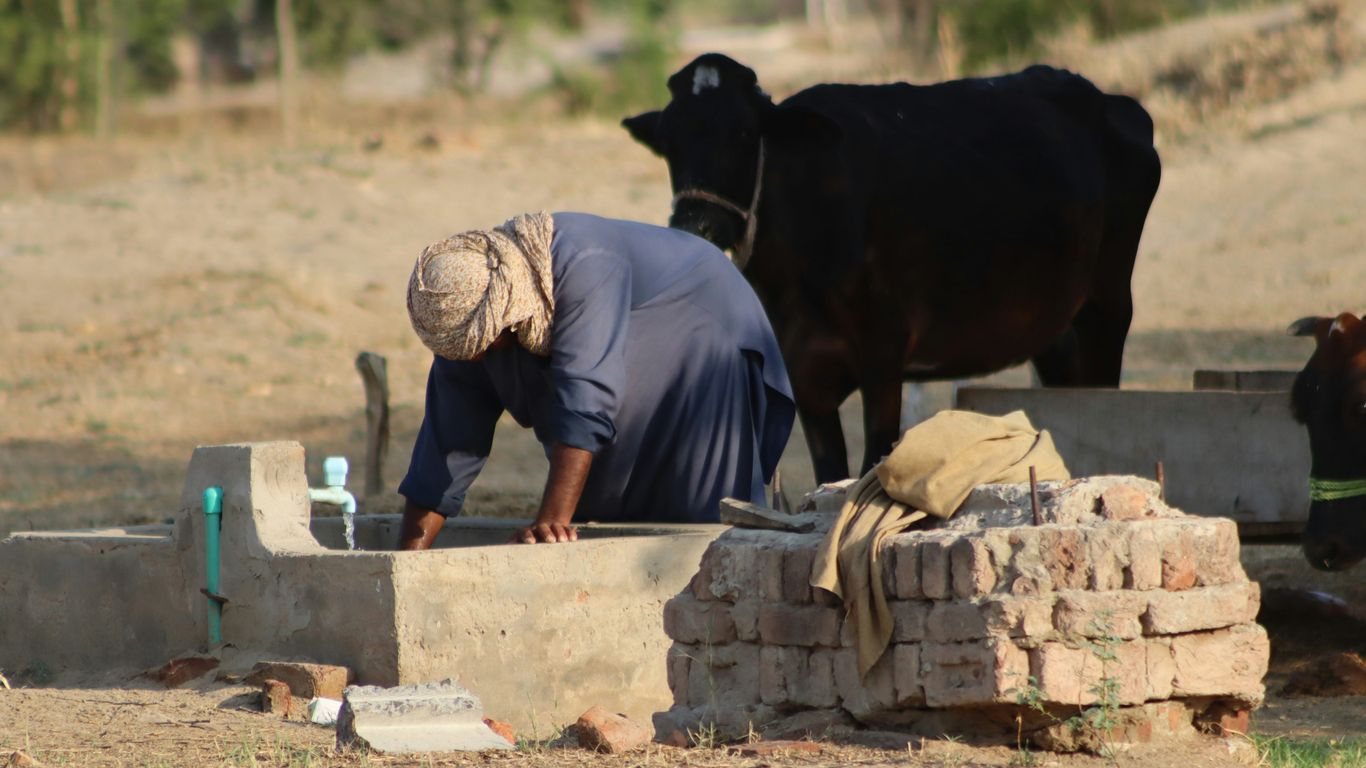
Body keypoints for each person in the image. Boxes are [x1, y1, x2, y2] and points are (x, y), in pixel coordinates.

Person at [398, 211, 795, 547]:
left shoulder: (583, 264)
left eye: (483, 347)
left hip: (699, 320)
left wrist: (550, 522)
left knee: (693, 514)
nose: (477, 359)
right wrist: (404, 562)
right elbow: (447, 441)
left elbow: (586, 400)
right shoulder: (462, 324)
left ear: (506, 315)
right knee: (592, 512)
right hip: (617, 340)